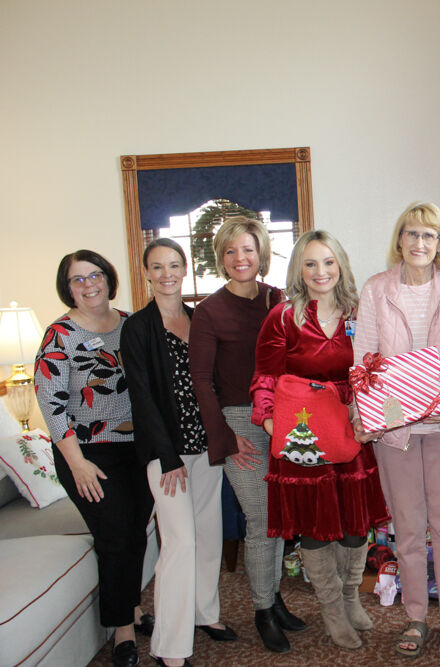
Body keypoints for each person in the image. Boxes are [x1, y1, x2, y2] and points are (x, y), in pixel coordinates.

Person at [250, 230, 389, 650]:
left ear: (340, 265)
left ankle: (349, 597)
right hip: (302, 434)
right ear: (299, 270)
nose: (320, 271)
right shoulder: (282, 317)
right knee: (315, 528)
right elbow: (265, 376)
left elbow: (376, 367)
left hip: (350, 428)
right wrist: (269, 420)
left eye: (328, 262)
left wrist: (375, 412)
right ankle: (331, 610)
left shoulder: (358, 313)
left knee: (353, 526)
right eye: (310, 263)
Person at [353, 202, 440, 658]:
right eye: (412, 234)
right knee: (407, 529)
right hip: (396, 430)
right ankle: (416, 617)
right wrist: (370, 414)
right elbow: (365, 359)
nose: (420, 243)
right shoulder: (376, 289)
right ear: (399, 240)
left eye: (430, 235)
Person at [189, 216, 305, 653]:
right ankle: (261, 611)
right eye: (231, 251)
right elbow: (202, 381)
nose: (241, 258)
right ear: (221, 258)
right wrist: (224, 436)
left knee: (280, 518)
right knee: (262, 520)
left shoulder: (278, 300)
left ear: (262, 254)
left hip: (285, 418)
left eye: (248, 250)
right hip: (239, 421)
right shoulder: (208, 311)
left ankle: (274, 600)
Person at [35, 250, 154, 667]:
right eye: (77, 280)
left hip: (137, 448)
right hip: (85, 452)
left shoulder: (131, 323)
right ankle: (122, 630)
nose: (88, 285)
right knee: (116, 534)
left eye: (95, 275)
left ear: (108, 278)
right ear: (67, 287)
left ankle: (134, 608)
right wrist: (77, 463)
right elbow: (50, 403)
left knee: (137, 530)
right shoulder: (59, 335)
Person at [121, 239, 236, 667]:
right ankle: (169, 646)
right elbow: (142, 397)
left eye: (174, 265)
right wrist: (167, 457)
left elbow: (215, 384)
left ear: (184, 269)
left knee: (208, 535)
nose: (166, 273)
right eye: (157, 266)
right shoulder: (136, 328)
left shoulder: (198, 318)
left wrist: (225, 437)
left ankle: (206, 613)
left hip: (205, 448)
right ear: (146, 271)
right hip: (165, 454)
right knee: (180, 542)